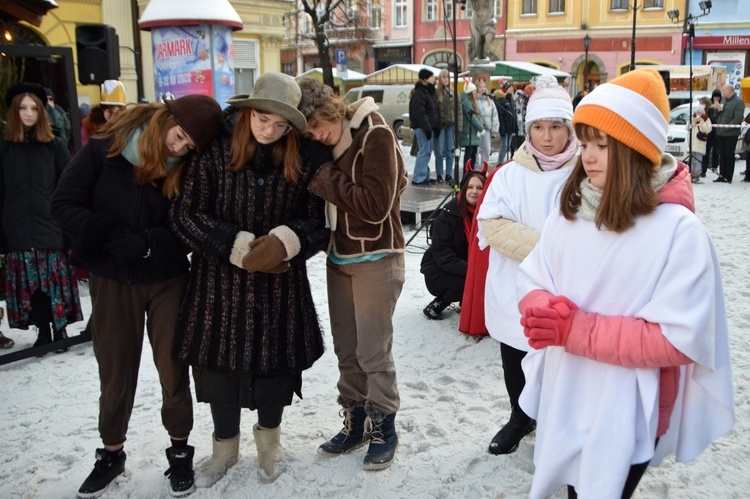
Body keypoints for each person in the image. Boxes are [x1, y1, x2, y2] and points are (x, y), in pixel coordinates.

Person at [517, 68, 734, 498]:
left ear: (636, 150)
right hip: (567, 390)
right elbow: (534, 276)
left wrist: (576, 330)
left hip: (628, 405)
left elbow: (678, 339)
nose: (589, 157)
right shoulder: (573, 210)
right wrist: (539, 305)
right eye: (586, 144)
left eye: (603, 145)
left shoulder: (679, 232)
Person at [51, 93, 223, 498]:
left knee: (173, 366)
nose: (177, 149)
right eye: (178, 136)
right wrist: (109, 235)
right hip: (113, 278)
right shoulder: (103, 149)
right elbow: (62, 204)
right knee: (115, 369)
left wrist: (150, 245)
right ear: (165, 119)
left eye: (188, 146)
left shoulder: (190, 168)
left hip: (167, 278)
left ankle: (180, 451)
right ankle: (112, 451)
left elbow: (191, 221)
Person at [168, 73, 331, 486]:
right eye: (262, 119)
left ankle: (269, 447)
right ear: (246, 112)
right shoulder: (212, 154)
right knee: (217, 371)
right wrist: (236, 246)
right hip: (219, 287)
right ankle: (224, 450)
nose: (269, 130)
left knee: (275, 372)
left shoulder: (302, 158)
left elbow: (316, 223)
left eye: (280, 125)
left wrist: (286, 241)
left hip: (280, 288)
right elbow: (185, 215)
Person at [297, 77, 408, 471]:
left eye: (315, 125)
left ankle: (384, 426)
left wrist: (327, 180)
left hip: (378, 257)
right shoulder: (327, 143)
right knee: (348, 350)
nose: (315, 136)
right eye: (308, 132)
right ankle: (356, 421)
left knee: (373, 351)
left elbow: (376, 206)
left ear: (329, 111)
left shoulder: (374, 132)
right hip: (339, 257)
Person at [476, 74, 578, 456]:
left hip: (566, 289)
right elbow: (492, 225)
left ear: (569, 128)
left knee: (562, 362)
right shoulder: (509, 176)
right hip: (514, 286)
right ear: (528, 129)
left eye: (555, 127)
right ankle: (520, 416)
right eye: (538, 127)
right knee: (515, 356)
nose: (547, 137)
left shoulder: (585, 174)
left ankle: (558, 423)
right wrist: (549, 247)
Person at [1, 82, 82, 353]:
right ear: (14, 111)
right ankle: (43, 331)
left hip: (52, 229)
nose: (28, 113)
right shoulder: (4, 147)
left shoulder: (54, 145)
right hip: (18, 231)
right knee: (31, 286)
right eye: (22, 108)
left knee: (53, 283)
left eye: (34, 108)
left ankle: (60, 329)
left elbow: (69, 187)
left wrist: (70, 230)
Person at [421, 169, 485, 320]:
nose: (474, 191)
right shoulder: (447, 216)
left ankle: (468, 301)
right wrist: (474, 271)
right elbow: (443, 256)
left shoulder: (488, 214)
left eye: (479, 188)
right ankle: (440, 302)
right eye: (470, 187)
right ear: (463, 189)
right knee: (472, 281)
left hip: (465, 268)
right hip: (438, 271)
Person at [409, 68, 439, 186]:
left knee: (426, 152)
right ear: (425, 79)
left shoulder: (428, 92)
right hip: (422, 127)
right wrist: (427, 128)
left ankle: (423, 175)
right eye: (432, 77)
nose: (434, 79)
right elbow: (420, 113)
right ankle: (418, 178)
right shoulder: (420, 93)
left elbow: (432, 111)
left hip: (427, 127)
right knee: (424, 151)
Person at [82, 80, 127, 147]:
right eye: (108, 111)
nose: (111, 116)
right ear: (103, 109)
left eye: (117, 113)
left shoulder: (128, 128)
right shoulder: (90, 127)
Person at [714, 84, 744, 183]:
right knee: (721, 154)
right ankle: (721, 175)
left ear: (730, 91)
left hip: (731, 133)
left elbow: (738, 117)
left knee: (729, 154)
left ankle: (728, 176)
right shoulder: (723, 101)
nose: (723, 92)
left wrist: (728, 126)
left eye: (724, 90)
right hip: (721, 132)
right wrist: (717, 110)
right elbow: (717, 115)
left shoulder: (738, 102)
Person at [434, 69, 456, 184]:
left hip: (451, 125)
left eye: (447, 77)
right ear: (440, 79)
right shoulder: (437, 92)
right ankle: (439, 174)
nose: (445, 79)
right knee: (439, 150)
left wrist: (459, 126)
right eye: (443, 77)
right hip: (440, 125)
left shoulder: (452, 92)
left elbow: (458, 110)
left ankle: (448, 174)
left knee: (450, 150)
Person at [460, 78, 484, 173]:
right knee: (469, 154)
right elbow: (472, 117)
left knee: (473, 154)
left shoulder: (470, 101)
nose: (475, 93)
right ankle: (467, 172)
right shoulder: (466, 102)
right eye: (473, 91)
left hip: (473, 132)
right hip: (469, 132)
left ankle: (471, 171)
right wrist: (480, 128)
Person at [476, 77, 499, 168]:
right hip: (477, 130)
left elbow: (495, 116)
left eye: (484, 86)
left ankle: (484, 167)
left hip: (486, 129)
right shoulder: (475, 101)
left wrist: (494, 130)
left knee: (486, 149)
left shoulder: (490, 102)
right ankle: (476, 167)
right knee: (477, 150)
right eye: (480, 86)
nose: (482, 88)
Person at [493, 81, 517, 165]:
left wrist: (515, 126)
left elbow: (513, 114)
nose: (512, 88)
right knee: (504, 146)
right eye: (509, 87)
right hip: (505, 127)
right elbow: (501, 116)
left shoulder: (511, 100)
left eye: (511, 87)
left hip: (511, 126)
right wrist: (502, 129)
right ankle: (499, 163)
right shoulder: (502, 101)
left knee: (507, 147)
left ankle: (503, 162)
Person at [688, 102, 712, 184]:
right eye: (697, 112)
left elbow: (709, 129)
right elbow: (687, 127)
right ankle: (691, 174)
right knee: (692, 159)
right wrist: (692, 124)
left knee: (698, 159)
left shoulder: (706, 119)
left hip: (700, 142)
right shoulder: (692, 117)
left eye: (700, 112)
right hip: (692, 142)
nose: (698, 114)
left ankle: (697, 175)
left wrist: (702, 124)